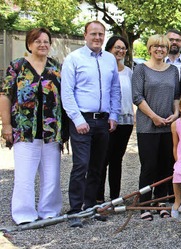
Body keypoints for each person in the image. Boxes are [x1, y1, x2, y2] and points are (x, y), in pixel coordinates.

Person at [1, 27, 65, 225]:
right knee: (24, 175)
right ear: (29, 44)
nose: (43, 44)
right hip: (24, 130)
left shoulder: (55, 68)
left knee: (51, 174)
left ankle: (49, 211)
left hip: (51, 131)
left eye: (46, 41)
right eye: (38, 41)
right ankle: (24, 214)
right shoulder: (17, 67)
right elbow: (5, 95)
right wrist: (6, 125)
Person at [61, 21, 121, 228]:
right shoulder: (74, 59)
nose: (97, 37)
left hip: (103, 121)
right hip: (82, 120)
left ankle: (91, 206)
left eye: (101, 34)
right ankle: (75, 210)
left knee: (97, 166)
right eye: (93, 34)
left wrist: (114, 115)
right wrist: (77, 120)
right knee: (81, 165)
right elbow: (67, 92)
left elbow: (115, 89)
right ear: (85, 35)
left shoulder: (110, 59)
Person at [132, 34, 180, 221]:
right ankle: (144, 203)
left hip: (168, 126)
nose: (160, 49)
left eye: (163, 47)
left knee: (165, 166)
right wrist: (154, 116)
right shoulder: (141, 69)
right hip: (148, 126)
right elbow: (137, 97)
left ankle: (160, 202)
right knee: (149, 166)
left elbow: (176, 95)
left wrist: (175, 114)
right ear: (149, 48)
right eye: (156, 46)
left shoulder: (173, 70)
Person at [98, 36, 134, 203]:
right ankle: (97, 197)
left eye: (123, 48)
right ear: (109, 49)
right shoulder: (104, 69)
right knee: (102, 158)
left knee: (117, 159)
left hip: (125, 121)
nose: (120, 51)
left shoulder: (129, 72)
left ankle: (114, 197)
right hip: (106, 121)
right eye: (116, 47)